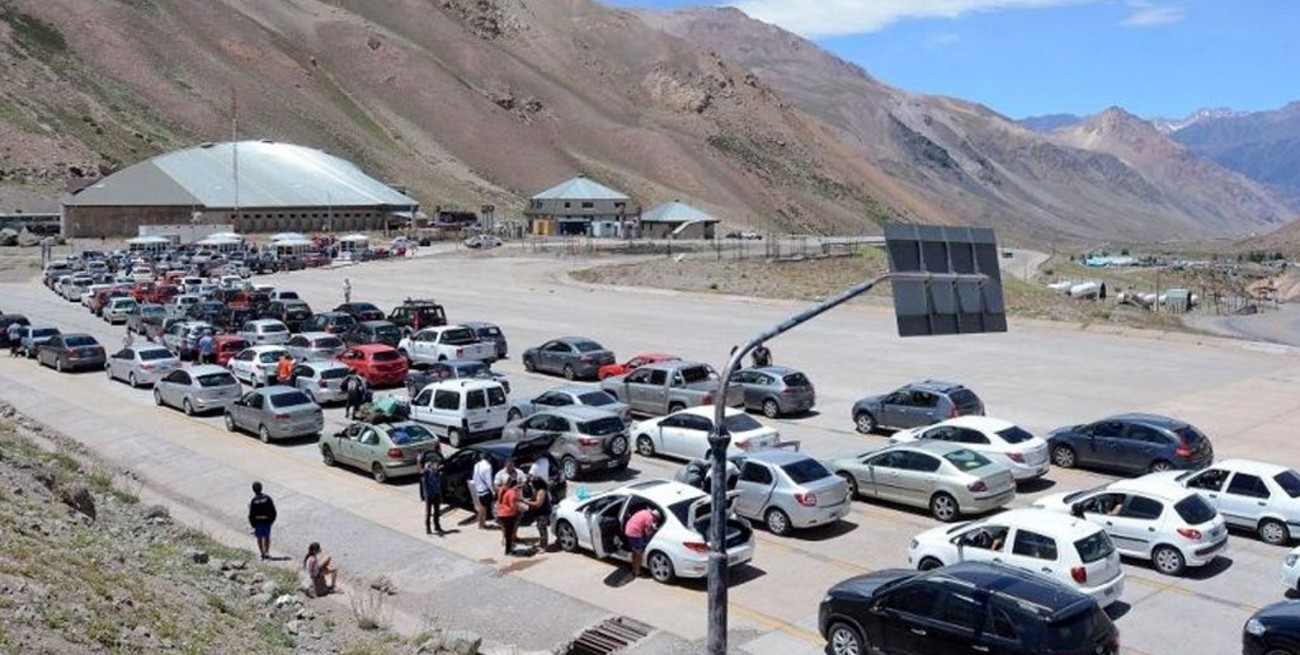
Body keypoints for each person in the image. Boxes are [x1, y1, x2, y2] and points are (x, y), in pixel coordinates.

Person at [624, 508, 662, 578]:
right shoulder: (650, 518)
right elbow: (647, 533)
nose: (656, 521)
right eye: (656, 519)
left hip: (628, 530)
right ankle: (637, 572)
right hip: (634, 533)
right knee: (639, 553)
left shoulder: (645, 511)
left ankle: (634, 569)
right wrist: (654, 530)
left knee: (635, 551)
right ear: (656, 517)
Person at [248, 481, 277, 560]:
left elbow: (251, 514)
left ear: (253, 490)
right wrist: (271, 520)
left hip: (258, 523)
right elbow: (273, 510)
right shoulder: (267, 498)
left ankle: (262, 552)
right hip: (267, 521)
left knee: (259, 538)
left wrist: (252, 524)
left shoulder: (253, 501)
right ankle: (267, 552)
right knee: (267, 537)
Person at [419, 446, 445, 536]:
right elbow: (421, 472)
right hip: (429, 495)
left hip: (436, 494)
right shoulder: (426, 473)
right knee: (429, 512)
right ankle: (428, 527)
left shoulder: (437, 472)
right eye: (435, 464)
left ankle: (437, 526)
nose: (437, 466)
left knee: (437, 512)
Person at [523, 473, 552, 551]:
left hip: (543, 513)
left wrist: (526, 502)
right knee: (540, 528)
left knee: (542, 529)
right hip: (538, 513)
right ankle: (542, 543)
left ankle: (544, 547)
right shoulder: (537, 490)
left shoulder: (541, 492)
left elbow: (538, 504)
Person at [495, 476, 522, 556]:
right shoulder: (512, 492)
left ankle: (508, 548)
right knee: (509, 533)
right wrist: (518, 508)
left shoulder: (502, 490)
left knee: (506, 532)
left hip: (501, 513)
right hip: (508, 515)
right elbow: (512, 505)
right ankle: (508, 550)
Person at [471, 452, 495, 530]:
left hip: (478, 488)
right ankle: (482, 525)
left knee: (482, 507)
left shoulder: (477, 465)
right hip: (485, 490)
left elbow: (474, 477)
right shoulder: (488, 467)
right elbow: (489, 481)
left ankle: (481, 524)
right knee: (483, 508)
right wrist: (493, 491)